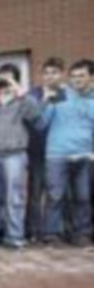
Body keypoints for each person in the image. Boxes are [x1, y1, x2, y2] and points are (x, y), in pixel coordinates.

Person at [0, 63, 42, 249]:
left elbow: (36, 115)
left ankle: (15, 236)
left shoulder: (23, 100)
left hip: (15, 155)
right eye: (1, 78)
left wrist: (20, 92)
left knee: (15, 197)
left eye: (8, 78)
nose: (3, 82)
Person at [38, 59, 94, 246]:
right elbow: (41, 124)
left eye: (81, 76)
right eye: (73, 76)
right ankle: (52, 234)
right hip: (57, 154)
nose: (76, 80)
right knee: (55, 195)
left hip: (85, 154)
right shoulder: (60, 94)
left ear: (91, 77)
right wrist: (45, 104)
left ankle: (82, 234)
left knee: (83, 197)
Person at [26, 58, 65, 244]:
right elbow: (31, 118)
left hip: (61, 151)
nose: (50, 76)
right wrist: (44, 99)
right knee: (35, 194)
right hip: (37, 152)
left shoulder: (67, 95)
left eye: (55, 72)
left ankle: (55, 231)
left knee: (57, 193)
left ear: (62, 74)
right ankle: (34, 231)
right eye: (47, 73)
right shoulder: (33, 94)